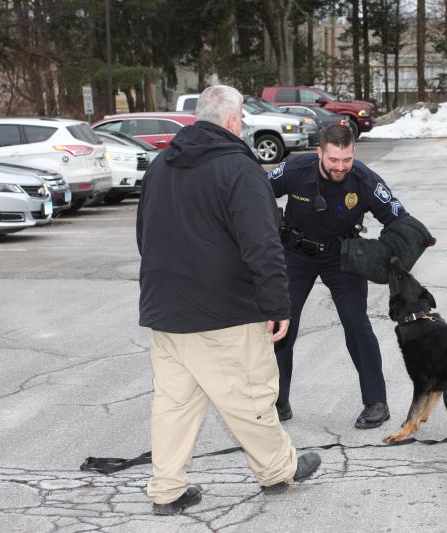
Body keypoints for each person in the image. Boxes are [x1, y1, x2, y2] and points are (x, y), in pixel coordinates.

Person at [136, 85, 321, 516]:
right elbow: (263, 244)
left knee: (174, 405)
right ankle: (278, 471)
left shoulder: (162, 163)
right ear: (235, 121)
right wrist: (278, 305)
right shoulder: (238, 168)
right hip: (225, 311)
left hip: (166, 311)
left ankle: (167, 489)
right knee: (251, 395)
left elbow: (145, 234)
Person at [268, 124, 408, 429]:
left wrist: (404, 247)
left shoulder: (363, 179)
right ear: (320, 152)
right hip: (295, 254)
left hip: (342, 256)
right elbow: (257, 194)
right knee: (281, 324)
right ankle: (277, 401)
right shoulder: (295, 168)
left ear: (353, 153)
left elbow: (397, 217)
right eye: (333, 160)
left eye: (346, 160)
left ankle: (376, 403)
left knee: (357, 325)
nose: (340, 167)